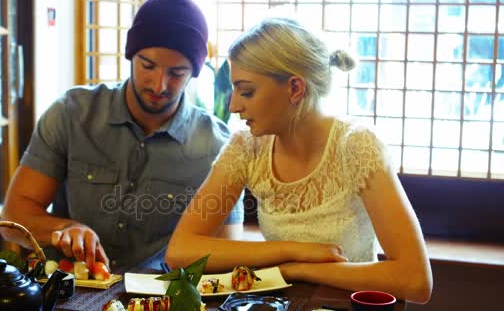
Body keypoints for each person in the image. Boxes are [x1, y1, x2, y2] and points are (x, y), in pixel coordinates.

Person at [165, 18, 433, 303]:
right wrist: (291, 250)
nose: (233, 106)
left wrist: (298, 270)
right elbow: (180, 251)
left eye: (247, 91)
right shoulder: (246, 146)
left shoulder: (356, 145)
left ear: (295, 88)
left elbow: (415, 280)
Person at [0, 0, 244, 270]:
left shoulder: (216, 145)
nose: (158, 84)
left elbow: (225, 257)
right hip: (70, 291)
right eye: (147, 65)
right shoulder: (71, 114)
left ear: (194, 72)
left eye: (176, 73)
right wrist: (65, 228)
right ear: (130, 55)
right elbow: (13, 219)